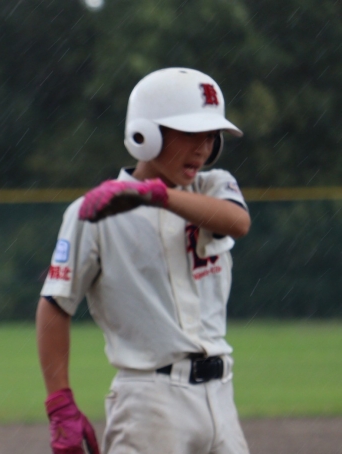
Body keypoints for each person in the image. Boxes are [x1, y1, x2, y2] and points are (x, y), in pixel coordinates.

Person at [36, 67, 251, 454]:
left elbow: (238, 222)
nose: (203, 148)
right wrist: (59, 402)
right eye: (190, 134)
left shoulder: (213, 186)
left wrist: (154, 195)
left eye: (210, 136)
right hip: (151, 402)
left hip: (222, 395)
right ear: (145, 134)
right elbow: (55, 304)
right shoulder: (94, 211)